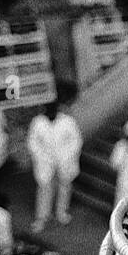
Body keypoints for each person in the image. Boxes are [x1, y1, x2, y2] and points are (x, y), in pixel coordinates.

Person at [26, 98, 83, 231]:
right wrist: (43, 157)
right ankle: (42, 217)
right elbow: (32, 142)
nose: (50, 113)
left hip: (65, 161)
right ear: (44, 109)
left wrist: (66, 156)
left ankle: (61, 212)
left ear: (57, 109)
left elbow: (76, 140)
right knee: (44, 188)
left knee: (64, 187)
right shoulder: (37, 122)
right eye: (48, 110)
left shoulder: (68, 122)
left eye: (53, 110)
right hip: (45, 161)